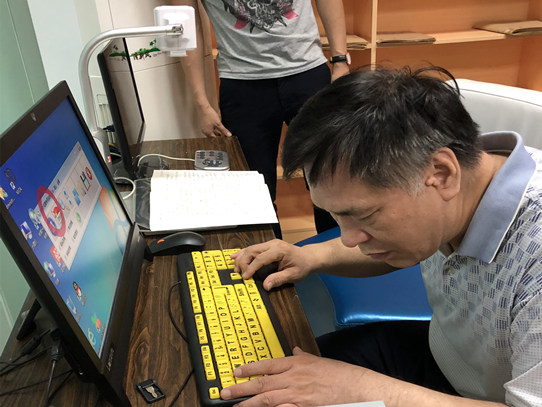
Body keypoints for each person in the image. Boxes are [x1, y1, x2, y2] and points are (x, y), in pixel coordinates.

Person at [221, 66, 542, 406]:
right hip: (447, 356)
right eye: (336, 215)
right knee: (264, 381)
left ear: (442, 173)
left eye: (363, 215)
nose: (348, 239)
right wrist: (309, 256)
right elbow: (396, 247)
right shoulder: (455, 183)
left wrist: (365, 389)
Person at [179, 0, 347, 238]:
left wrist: (340, 61)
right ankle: (272, 260)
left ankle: (338, 257)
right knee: (254, 196)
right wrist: (201, 105)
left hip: (308, 73)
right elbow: (185, 25)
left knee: (332, 180)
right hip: (242, 85)